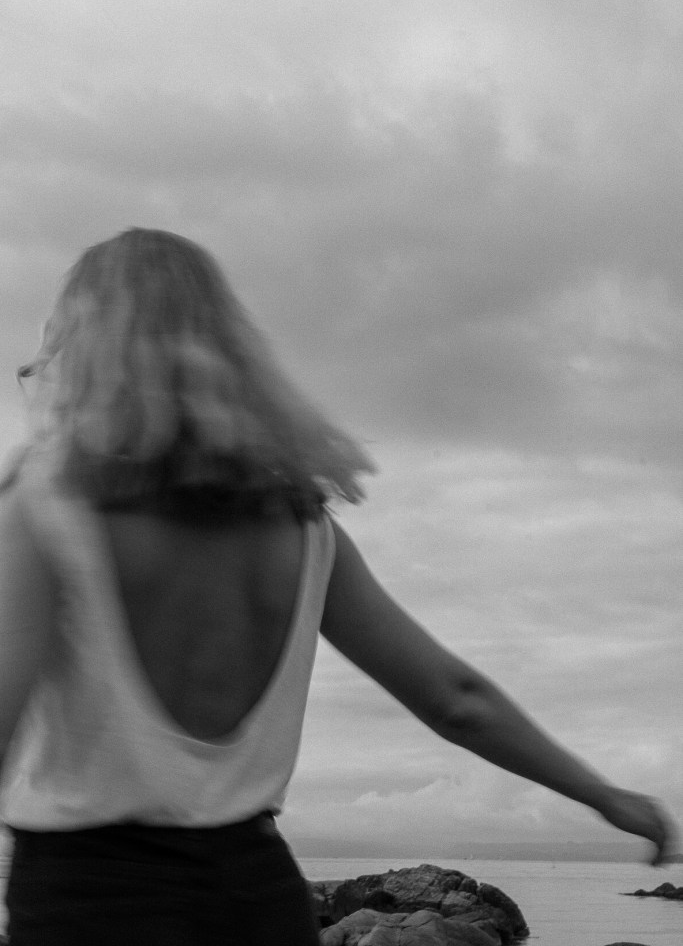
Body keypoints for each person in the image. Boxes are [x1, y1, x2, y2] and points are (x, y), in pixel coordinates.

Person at [0, 228, 675, 945]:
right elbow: (455, 700)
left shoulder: (46, 508)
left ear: (83, 346)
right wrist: (601, 794)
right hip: (258, 899)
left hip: (91, 904)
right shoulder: (303, 528)